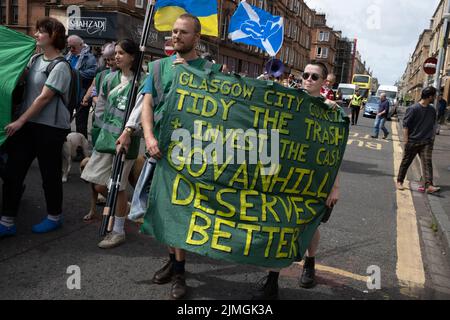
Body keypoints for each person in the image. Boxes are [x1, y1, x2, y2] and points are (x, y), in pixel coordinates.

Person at [116, 14, 222, 300]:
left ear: (197, 38)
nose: (176, 36)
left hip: (192, 157)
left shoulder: (212, 71)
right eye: (174, 31)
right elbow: (147, 104)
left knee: (180, 216)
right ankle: (174, 261)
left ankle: (179, 274)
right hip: (159, 151)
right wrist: (147, 137)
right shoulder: (159, 67)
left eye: (183, 33)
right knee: (158, 213)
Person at [253, 61, 341, 300]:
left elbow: (335, 151)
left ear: (324, 82)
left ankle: (309, 262)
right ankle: (272, 281)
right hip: (286, 177)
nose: (309, 80)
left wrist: (334, 186)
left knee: (310, 226)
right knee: (280, 225)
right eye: (306, 75)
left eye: (315, 77)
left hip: (316, 180)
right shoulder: (289, 99)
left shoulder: (329, 110)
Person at [0, 18, 72, 237]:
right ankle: (7, 221)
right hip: (28, 125)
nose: (36, 34)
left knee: (49, 174)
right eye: (37, 30)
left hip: (50, 128)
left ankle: (54, 217)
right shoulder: (34, 59)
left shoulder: (61, 66)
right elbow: (18, 80)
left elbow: (43, 99)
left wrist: (20, 121)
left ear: (53, 37)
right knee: (14, 172)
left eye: (41, 32)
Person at [81, 39, 145, 248]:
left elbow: (144, 114)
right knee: (99, 183)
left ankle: (118, 231)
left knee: (117, 187)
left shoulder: (141, 82)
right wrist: (99, 132)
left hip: (126, 143)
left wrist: (130, 133)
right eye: (115, 53)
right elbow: (101, 109)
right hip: (106, 141)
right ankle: (127, 208)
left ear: (133, 56)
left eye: (121, 53)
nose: (116, 57)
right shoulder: (108, 78)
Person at [397, 86, 441, 194]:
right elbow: (406, 126)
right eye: (434, 95)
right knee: (406, 162)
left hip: (426, 142)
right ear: (429, 96)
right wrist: (406, 141)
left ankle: (429, 185)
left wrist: (432, 139)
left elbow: (432, 126)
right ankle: (399, 181)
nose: (435, 97)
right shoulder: (413, 108)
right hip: (413, 141)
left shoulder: (432, 110)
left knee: (427, 163)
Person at [66, 35, 97, 140]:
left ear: (81, 45)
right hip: (69, 94)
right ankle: (67, 144)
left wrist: (75, 73)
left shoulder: (89, 57)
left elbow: (93, 73)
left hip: (82, 94)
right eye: (69, 47)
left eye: (73, 47)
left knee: (81, 124)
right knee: (66, 121)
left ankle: (81, 149)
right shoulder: (68, 56)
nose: (71, 49)